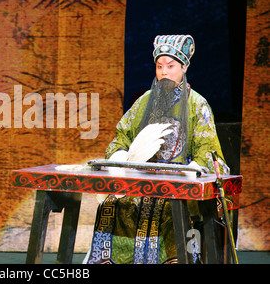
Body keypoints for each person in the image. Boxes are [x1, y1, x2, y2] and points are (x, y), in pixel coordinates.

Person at [84, 35, 229, 264]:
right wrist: (122, 155)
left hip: (179, 184)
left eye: (171, 67)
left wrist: (192, 170)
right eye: (160, 67)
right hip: (141, 181)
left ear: (184, 67)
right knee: (113, 204)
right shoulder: (144, 101)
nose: (164, 72)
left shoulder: (197, 105)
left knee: (167, 208)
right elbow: (120, 138)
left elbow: (208, 152)